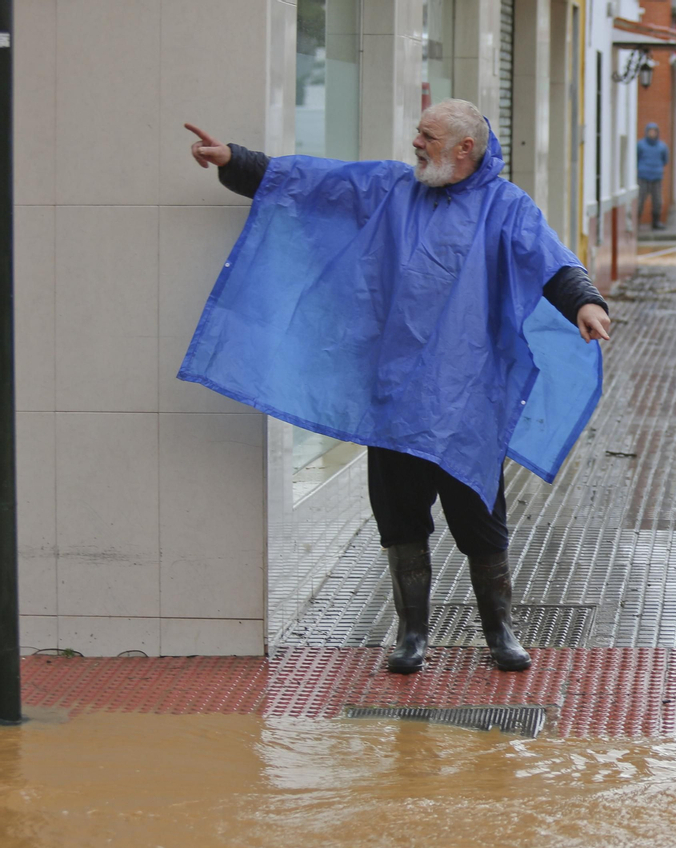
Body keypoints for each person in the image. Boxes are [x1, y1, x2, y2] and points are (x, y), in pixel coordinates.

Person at [182, 100, 611, 676]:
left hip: (466, 400)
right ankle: (412, 634)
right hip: (392, 395)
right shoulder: (388, 188)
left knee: (481, 523)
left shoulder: (505, 208)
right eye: (418, 132)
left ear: (466, 148)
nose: (416, 141)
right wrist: (236, 160)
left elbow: (551, 261)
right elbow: (316, 183)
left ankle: (499, 631)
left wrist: (584, 300)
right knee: (400, 519)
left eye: (428, 135)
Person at [637, 121, 669, 229]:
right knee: (640, 200)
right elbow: (636, 158)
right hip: (643, 176)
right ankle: (636, 222)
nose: (652, 133)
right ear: (646, 132)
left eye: (654, 131)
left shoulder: (662, 146)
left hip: (656, 176)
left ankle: (656, 222)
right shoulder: (640, 145)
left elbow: (665, 160)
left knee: (657, 201)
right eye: (650, 131)